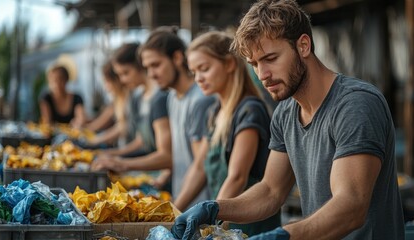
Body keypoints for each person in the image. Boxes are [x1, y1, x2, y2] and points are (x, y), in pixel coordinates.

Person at [171, 0, 404, 239]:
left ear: (303, 45)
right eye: (254, 64)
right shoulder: (285, 113)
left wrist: (284, 235)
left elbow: (351, 206)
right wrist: (215, 208)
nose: (262, 75)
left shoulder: (355, 104)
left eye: (270, 59)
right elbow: (271, 191)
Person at [173, 30, 280, 236]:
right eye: (194, 72)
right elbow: (199, 168)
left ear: (229, 64)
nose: (198, 78)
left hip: (248, 226)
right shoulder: (215, 112)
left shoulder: (250, 110)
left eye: (204, 69)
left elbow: (237, 178)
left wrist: (213, 225)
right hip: (225, 223)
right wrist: (174, 213)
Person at [138, 27, 215, 205]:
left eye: (156, 65)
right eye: (147, 68)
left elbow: (201, 167)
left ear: (177, 58)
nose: (151, 74)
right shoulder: (172, 96)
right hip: (183, 202)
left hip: (201, 207)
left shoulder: (200, 101)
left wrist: (175, 211)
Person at [91, 42, 172, 190]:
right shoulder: (138, 97)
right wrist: (112, 155)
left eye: (126, 73)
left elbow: (167, 154)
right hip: (147, 173)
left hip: (162, 179)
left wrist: (122, 163)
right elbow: (141, 141)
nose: (122, 80)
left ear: (140, 66)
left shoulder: (160, 99)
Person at [83, 60, 130, 148]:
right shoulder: (117, 99)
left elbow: (122, 127)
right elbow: (104, 118)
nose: (106, 87)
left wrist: (97, 139)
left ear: (116, 80)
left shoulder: (128, 98)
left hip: (126, 147)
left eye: (107, 82)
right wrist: (87, 129)